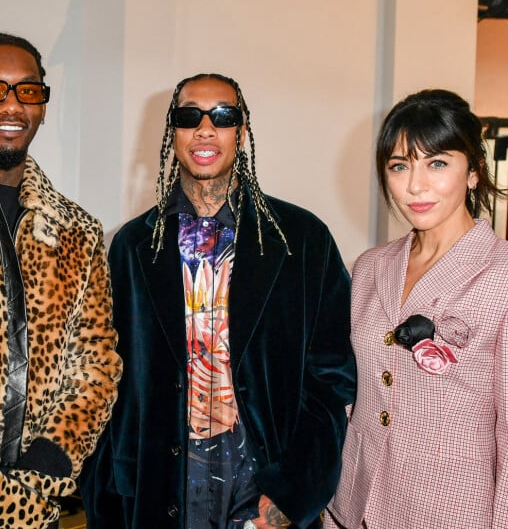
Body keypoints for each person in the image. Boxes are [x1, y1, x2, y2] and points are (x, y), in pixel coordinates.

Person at [80, 73, 356, 529]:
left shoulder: (302, 240)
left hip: (261, 489)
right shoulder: (132, 247)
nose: (205, 128)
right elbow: (109, 379)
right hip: (156, 489)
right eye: (190, 116)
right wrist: (103, 491)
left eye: (223, 116)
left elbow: (332, 377)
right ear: (173, 131)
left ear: (241, 131)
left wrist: (295, 490)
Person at [0, 32, 122, 528]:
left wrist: (42, 474)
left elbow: (96, 366)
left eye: (28, 91)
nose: (11, 105)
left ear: (41, 107)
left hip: (35, 503)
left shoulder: (75, 228)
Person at [324, 89, 508, 528]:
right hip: (355, 504)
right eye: (400, 166)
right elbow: (352, 395)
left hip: (449, 511)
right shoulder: (370, 267)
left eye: (437, 163)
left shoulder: (501, 274)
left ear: (474, 172)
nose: (415, 185)